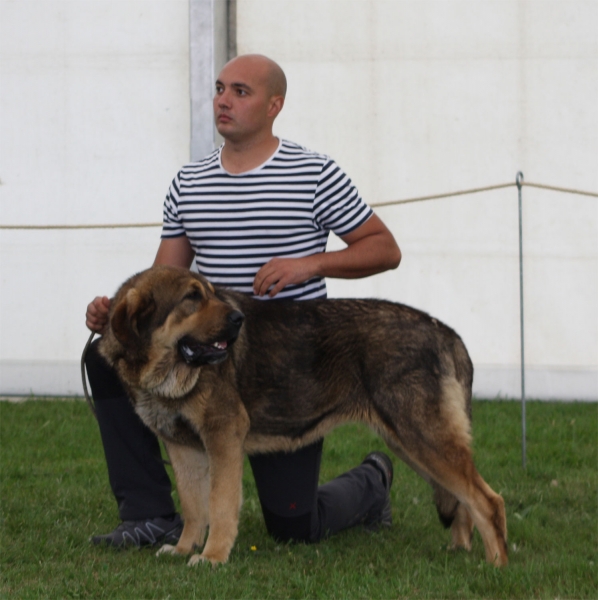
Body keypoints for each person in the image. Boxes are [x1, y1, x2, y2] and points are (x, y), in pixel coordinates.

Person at [85, 54, 402, 549]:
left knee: (295, 527)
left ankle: (372, 481)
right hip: (211, 351)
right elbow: (163, 277)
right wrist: (117, 313)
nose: (222, 100)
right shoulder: (187, 183)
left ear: (275, 105)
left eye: (240, 91)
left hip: (288, 362)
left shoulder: (315, 172)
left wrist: (309, 264)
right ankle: (148, 514)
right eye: (218, 89)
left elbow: (385, 249)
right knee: (102, 355)